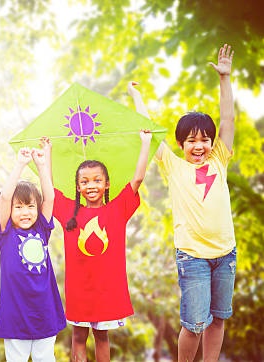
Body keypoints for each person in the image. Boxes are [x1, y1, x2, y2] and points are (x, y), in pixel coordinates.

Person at [130, 44, 236, 362]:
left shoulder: (219, 160)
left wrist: (224, 80)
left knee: (219, 318)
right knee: (194, 325)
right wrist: (137, 98)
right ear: (181, 144)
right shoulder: (174, 166)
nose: (199, 145)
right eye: (191, 140)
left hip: (226, 255)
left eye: (205, 139)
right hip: (193, 259)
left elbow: (228, 119)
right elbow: (147, 128)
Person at [52, 119, 152, 362]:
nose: (91, 185)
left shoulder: (117, 210)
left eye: (97, 180)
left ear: (107, 184)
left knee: (102, 336)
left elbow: (137, 180)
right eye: (84, 182)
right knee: (77, 336)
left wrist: (145, 143)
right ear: (77, 187)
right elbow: (49, 191)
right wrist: (44, 158)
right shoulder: (68, 212)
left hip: (106, 290)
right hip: (79, 290)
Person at [0, 137, 67, 362]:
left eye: (31, 206)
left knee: (46, 358)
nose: (25, 212)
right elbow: (5, 197)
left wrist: (42, 166)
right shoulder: (6, 233)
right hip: (16, 314)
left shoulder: (42, 228)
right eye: (19, 207)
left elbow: (50, 197)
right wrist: (20, 165)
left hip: (45, 310)